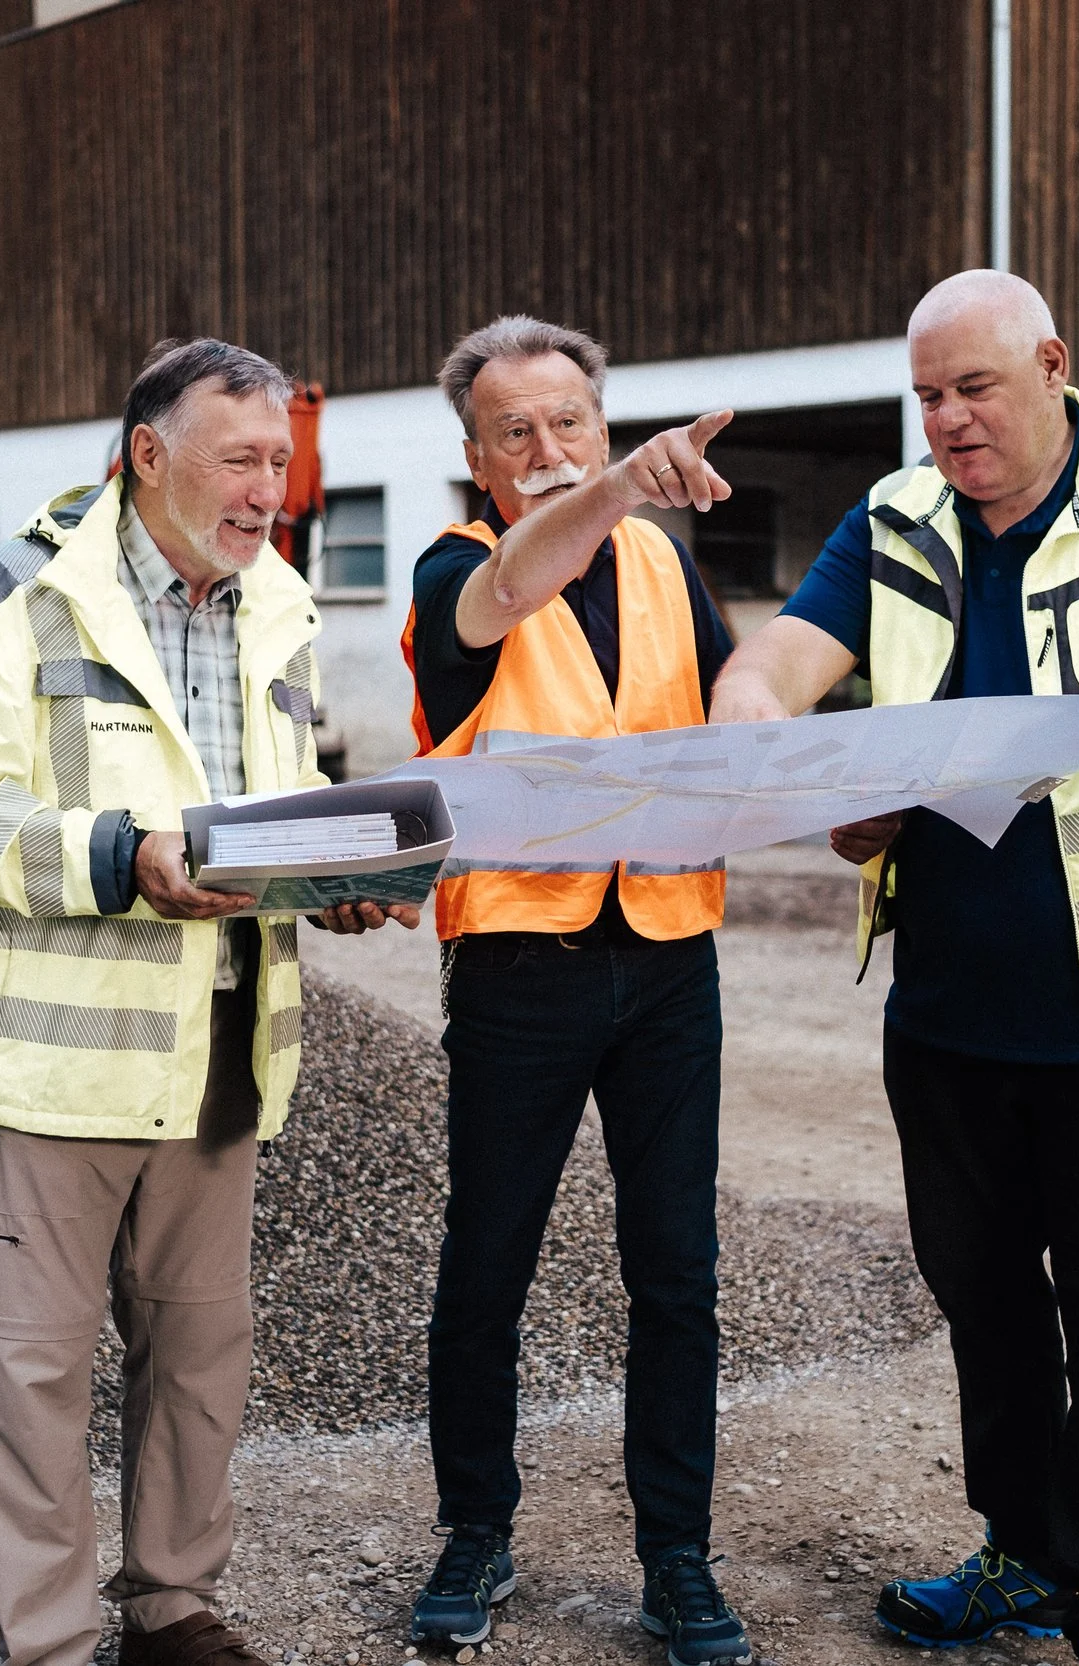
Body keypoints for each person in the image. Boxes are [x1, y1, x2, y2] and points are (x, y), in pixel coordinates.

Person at [709, 271, 1079, 1666]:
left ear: (1051, 366)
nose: (949, 422)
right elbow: (788, 651)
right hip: (953, 1008)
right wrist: (763, 722)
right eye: (928, 397)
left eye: (972, 389)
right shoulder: (899, 520)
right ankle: (1024, 1553)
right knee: (985, 1294)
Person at [0, 337, 416, 1666]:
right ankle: (54, 1641)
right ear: (147, 454)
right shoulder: (9, 597)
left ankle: (173, 1607)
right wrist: (125, 854)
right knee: (38, 1370)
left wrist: (329, 885)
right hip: (51, 1065)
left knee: (198, 1355)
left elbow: (269, 821)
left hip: (220, 1050)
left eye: (281, 463)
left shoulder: (274, 603)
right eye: (243, 459)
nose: (269, 490)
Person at [400, 316, 753, 1666]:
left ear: (602, 424)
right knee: (488, 1266)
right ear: (476, 458)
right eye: (518, 434)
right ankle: (475, 1528)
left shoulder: (664, 557)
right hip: (519, 967)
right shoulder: (456, 568)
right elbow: (513, 596)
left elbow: (729, 696)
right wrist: (614, 488)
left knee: (677, 1273)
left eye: (575, 427)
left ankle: (676, 1556)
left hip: (668, 957)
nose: (549, 453)